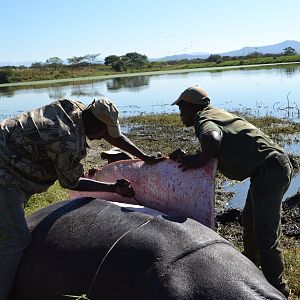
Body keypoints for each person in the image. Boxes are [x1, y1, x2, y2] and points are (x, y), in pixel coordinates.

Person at [0, 97, 164, 300]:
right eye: (103, 132)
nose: (104, 138)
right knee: (16, 238)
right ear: (94, 123)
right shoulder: (66, 140)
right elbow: (72, 182)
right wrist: (113, 188)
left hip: (11, 157)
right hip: (6, 176)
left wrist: (144, 156)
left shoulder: (73, 107)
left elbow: (113, 136)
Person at [169, 85, 292, 298]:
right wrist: (194, 155)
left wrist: (197, 160)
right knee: (249, 223)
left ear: (190, 107)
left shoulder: (204, 120)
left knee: (265, 235)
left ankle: (278, 290)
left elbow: (213, 139)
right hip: (267, 169)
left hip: (269, 171)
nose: (181, 115)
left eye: (181, 110)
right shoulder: (214, 114)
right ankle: (251, 273)